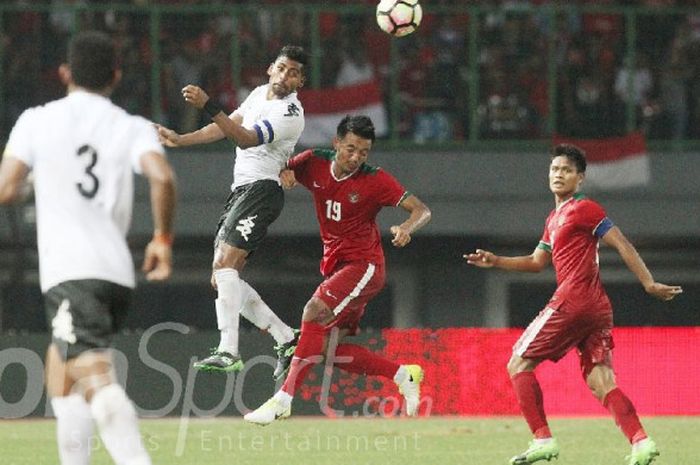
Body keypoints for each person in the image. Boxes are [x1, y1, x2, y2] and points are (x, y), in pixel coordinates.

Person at [0, 31, 176, 465]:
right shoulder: (131, 125)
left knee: (93, 372)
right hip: (115, 270)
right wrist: (162, 240)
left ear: (64, 73)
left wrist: (35, 185)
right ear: (115, 76)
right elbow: (163, 178)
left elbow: (6, 188)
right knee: (60, 371)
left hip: (71, 270)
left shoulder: (37, 120)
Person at [464, 144, 682, 465]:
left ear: (580, 179)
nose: (558, 174)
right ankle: (641, 442)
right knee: (601, 382)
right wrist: (496, 260)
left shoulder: (585, 208)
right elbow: (537, 261)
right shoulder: (554, 218)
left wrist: (648, 282)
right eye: (554, 169)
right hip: (596, 308)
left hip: (573, 301)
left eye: (566, 170)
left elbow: (621, 242)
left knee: (518, 364)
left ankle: (542, 440)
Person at [244, 115, 432, 425]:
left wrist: (407, 227)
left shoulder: (376, 180)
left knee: (313, 309)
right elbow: (278, 163)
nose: (357, 157)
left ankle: (283, 400)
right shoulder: (315, 161)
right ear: (336, 144)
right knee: (327, 350)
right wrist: (285, 171)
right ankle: (403, 374)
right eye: (351, 149)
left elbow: (422, 209)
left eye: (364, 152)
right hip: (337, 268)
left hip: (365, 267)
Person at [156, 45, 308, 377]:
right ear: (271, 69)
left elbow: (244, 139)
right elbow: (225, 127)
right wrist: (182, 139)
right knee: (221, 278)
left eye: (294, 72)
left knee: (225, 267)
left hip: (262, 190)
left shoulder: (290, 113)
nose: (286, 75)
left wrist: (208, 104)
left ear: (300, 81)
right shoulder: (257, 95)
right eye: (282, 68)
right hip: (241, 192)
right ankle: (286, 337)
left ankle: (228, 351)